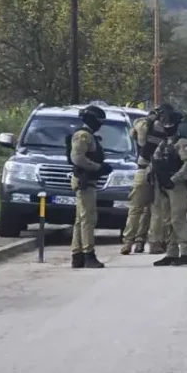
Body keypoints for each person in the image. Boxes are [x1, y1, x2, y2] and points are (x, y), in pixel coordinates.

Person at [119, 106, 170, 256]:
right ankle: (154, 243)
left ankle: (128, 242)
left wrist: (150, 118)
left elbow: (137, 133)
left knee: (136, 209)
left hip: (143, 171)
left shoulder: (144, 127)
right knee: (156, 210)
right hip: (159, 173)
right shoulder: (167, 131)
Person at [151, 108, 187, 267]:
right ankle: (171, 252)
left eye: (169, 124)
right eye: (164, 123)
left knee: (178, 218)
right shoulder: (163, 144)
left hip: (177, 185)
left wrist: (174, 179)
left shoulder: (182, 143)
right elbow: (155, 162)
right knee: (167, 220)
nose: (166, 126)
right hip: (163, 185)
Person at [67, 104, 107, 269]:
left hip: (88, 181)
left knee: (81, 219)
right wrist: (98, 168)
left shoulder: (89, 135)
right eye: (99, 121)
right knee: (88, 219)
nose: (100, 125)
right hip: (84, 181)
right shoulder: (83, 135)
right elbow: (77, 158)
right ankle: (88, 254)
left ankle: (77, 255)